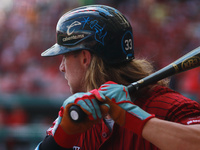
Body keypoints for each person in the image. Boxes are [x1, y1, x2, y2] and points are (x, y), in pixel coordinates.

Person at [35, 5, 200, 150]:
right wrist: (60, 139)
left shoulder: (168, 106)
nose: (61, 67)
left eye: (65, 57)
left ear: (85, 58)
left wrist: (138, 120)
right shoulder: (79, 114)